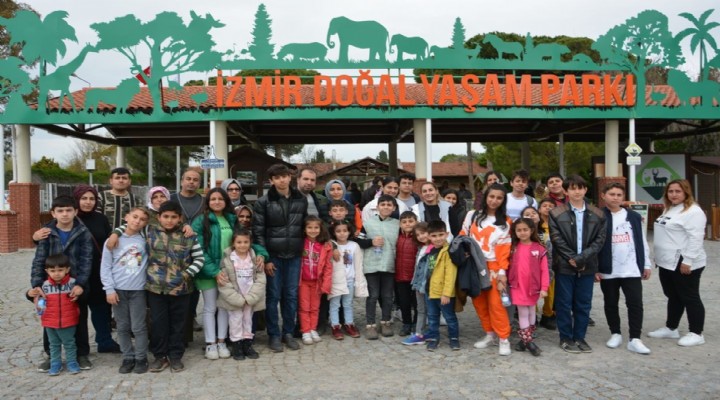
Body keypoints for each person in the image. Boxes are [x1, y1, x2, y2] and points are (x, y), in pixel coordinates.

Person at [29, 195, 93, 371]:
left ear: (75, 212)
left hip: (75, 285)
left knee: (79, 318)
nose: (65, 214)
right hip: (49, 285)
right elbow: (39, 260)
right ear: (53, 213)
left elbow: (86, 260)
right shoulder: (46, 233)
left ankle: (81, 354)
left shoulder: (83, 232)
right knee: (49, 318)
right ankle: (51, 355)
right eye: (60, 211)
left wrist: (80, 284)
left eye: (68, 210)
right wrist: (36, 283)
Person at [252, 164, 308, 352]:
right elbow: (258, 232)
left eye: (284, 176)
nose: (282, 180)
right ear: (271, 181)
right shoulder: (263, 202)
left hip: (294, 254)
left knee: (291, 295)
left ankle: (289, 333)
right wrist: (265, 257)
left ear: (290, 177)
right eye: (277, 177)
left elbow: (304, 225)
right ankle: (274, 334)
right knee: (273, 296)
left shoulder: (301, 199)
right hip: (273, 256)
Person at [549, 175, 606, 354]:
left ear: (585, 190)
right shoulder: (556, 213)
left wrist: (582, 258)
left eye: (580, 187)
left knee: (583, 303)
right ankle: (565, 337)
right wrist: (572, 258)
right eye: (572, 188)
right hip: (565, 266)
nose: (576, 191)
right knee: (564, 303)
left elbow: (599, 240)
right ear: (566, 191)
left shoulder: (598, 214)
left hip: (587, 266)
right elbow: (556, 239)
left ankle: (580, 337)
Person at [145, 201, 204, 373]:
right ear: (159, 217)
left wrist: (185, 275)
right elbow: (130, 224)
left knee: (178, 323)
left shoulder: (189, 236)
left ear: (180, 218)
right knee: (158, 323)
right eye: (166, 217)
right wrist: (116, 232)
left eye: (173, 217)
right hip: (156, 288)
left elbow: (199, 259)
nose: (169, 220)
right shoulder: (149, 232)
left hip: (181, 288)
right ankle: (160, 355)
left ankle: (176, 355)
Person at [649, 179, 707, 347]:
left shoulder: (693, 211)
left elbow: (696, 238)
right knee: (673, 296)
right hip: (666, 262)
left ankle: (696, 332)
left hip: (683, 261)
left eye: (678, 191)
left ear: (686, 193)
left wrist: (688, 260)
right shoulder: (670, 208)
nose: (673, 194)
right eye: (671, 191)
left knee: (689, 296)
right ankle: (671, 328)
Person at [596, 183, 652, 354]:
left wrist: (646, 263)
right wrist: (595, 268)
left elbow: (641, 240)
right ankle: (615, 333)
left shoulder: (633, 216)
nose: (615, 197)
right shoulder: (597, 216)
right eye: (611, 194)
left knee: (635, 303)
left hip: (631, 267)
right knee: (610, 302)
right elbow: (593, 244)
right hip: (608, 268)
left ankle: (635, 338)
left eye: (619, 194)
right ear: (603, 195)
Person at [459, 183, 513, 356]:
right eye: (492, 196)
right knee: (479, 302)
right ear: (485, 197)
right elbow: (463, 237)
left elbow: (504, 250)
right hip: (474, 265)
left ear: (503, 200)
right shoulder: (472, 215)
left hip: (494, 266)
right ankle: (490, 334)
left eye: (499, 198)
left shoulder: (506, 222)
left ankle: (504, 338)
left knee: (496, 304)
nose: (494, 200)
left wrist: (502, 273)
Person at [100, 207, 151, 374]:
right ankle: (127, 356)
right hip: (118, 290)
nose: (137, 221)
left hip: (138, 290)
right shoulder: (113, 240)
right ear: (126, 217)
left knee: (138, 326)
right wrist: (109, 289)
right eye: (135, 217)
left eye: (142, 219)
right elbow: (105, 266)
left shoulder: (145, 240)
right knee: (122, 326)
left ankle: (141, 357)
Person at [191, 189, 239, 360]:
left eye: (220, 199)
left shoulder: (232, 219)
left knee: (224, 307)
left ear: (226, 201)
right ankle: (210, 344)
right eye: (213, 199)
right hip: (207, 271)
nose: (217, 202)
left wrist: (261, 254)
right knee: (210, 307)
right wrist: (214, 271)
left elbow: (242, 242)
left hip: (228, 271)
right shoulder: (200, 221)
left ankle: (221, 341)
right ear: (208, 202)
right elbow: (199, 250)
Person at [356, 194, 400, 339]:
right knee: (373, 295)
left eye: (389, 205)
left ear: (393, 208)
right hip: (372, 264)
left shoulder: (397, 224)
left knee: (387, 296)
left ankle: (386, 322)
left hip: (389, 264)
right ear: (377, 207)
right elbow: (360, 241)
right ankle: (370, 324)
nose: (386, 207)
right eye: (383, 204)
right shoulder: (368, 223)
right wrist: (371, 242)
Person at [217, 230, 266, 361]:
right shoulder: (228, 259)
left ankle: (247, 344)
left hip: (249, 297)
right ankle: (237, 345)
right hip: (235, 298)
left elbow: (261, 278)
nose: (242, 245)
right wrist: (237, 299)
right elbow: (224, 282)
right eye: (239, 242)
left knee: (248, 320)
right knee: (235, 320)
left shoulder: (255, 259)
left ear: (250, 243)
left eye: (246, 242)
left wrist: (250, 297)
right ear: (233, 243)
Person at [508, 218, 549, 356]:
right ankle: (529, 343)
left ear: (531, 230)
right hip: (517, 286)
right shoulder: (513, 248)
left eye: (525, 229)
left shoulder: (539, 249)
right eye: (519, 230)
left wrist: (544, 288)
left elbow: (544, 270)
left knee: (532, 311)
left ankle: (523, 341)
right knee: (523, 313)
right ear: (515, 232)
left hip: (533, 287)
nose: (522, 232)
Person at [171, 169, 205, 335]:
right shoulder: (172, 199)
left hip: (197, 248)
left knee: (194, 287)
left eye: (195, 180)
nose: (191, 182)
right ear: (182, 181)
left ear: (199, 183)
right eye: (188, 179)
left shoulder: (204, 201)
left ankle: (191, 317)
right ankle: (178, 323)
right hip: (175, 250)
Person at [37, 254, 82, 376]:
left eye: (60, 270)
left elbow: (80, 296)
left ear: (67, 269)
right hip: (50, 321)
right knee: (54, 344)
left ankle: (72, 362)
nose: (56, 273)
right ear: (47, 271)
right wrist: (40, 309)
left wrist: (80, 291)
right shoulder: (44, 285)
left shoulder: (73, 284)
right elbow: (40, 304)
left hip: (68, 320)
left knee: (69, 343)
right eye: (52, 271)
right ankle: (55, 363)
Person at [424, 220, 460, 351]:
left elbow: (451, 274)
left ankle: (454, 339)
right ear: (428, 236)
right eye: (434, 236)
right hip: (430, 291)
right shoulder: (430, 251)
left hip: (443, 293)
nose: (437, 238)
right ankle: (434, 338)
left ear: (446, 234)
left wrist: (446, 293)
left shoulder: (448, 252)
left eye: (440, 235)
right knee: (432, 317)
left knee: (449, 317)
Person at [328, 220, 367, 339]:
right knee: (334, 304)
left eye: (345, 231)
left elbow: (358, 264)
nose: (342, 233)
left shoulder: (354, 246)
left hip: (350, 280)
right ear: (334, 233)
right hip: (336, 281)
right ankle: (335, 326)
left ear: (349, 232)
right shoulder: (331, 245)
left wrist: (358, 280)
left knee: (348, 304)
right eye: (338, 231)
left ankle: (349, 324)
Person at [297, 216, 333, 345]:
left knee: (315, 307)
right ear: (304, 229)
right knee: (304, 307)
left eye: (316, 227)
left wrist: (326, 284)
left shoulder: (325, 245)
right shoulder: (301, 243)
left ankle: (313, 329)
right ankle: (305, 331)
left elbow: (328, 267)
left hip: (317, 282)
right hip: (303, 281)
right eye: (309, 227)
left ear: (320, 228)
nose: (313, 230)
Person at [404, 222, 431, 345]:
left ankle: (427, 333)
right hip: (418, 283)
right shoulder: (421, 248)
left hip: (428, 285)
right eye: (418, 235)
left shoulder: (433, 248)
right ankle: (419, 333)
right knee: (421, 309)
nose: (421, 236)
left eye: (423, 233)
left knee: (431, 310)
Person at [534, 199, 558, 330]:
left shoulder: (558, 225)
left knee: (550, 291)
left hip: (551, 264)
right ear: (539, 209)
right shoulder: (536, 226)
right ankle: (532, 316)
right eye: (544, 206)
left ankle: (547, 315)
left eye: (551, 206)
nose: (547, 208)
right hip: (535, 263)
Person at [395, 211, 419, 337]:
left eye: (411, 221)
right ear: (400, 224)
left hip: (415, 276)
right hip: (400, 276)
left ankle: (416, 323)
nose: (407, 224)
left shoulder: (418, 238)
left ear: (416, 222)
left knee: (416, 302)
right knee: (404, 302)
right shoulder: (397, 237)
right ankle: (406, 323)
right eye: (404, 222)